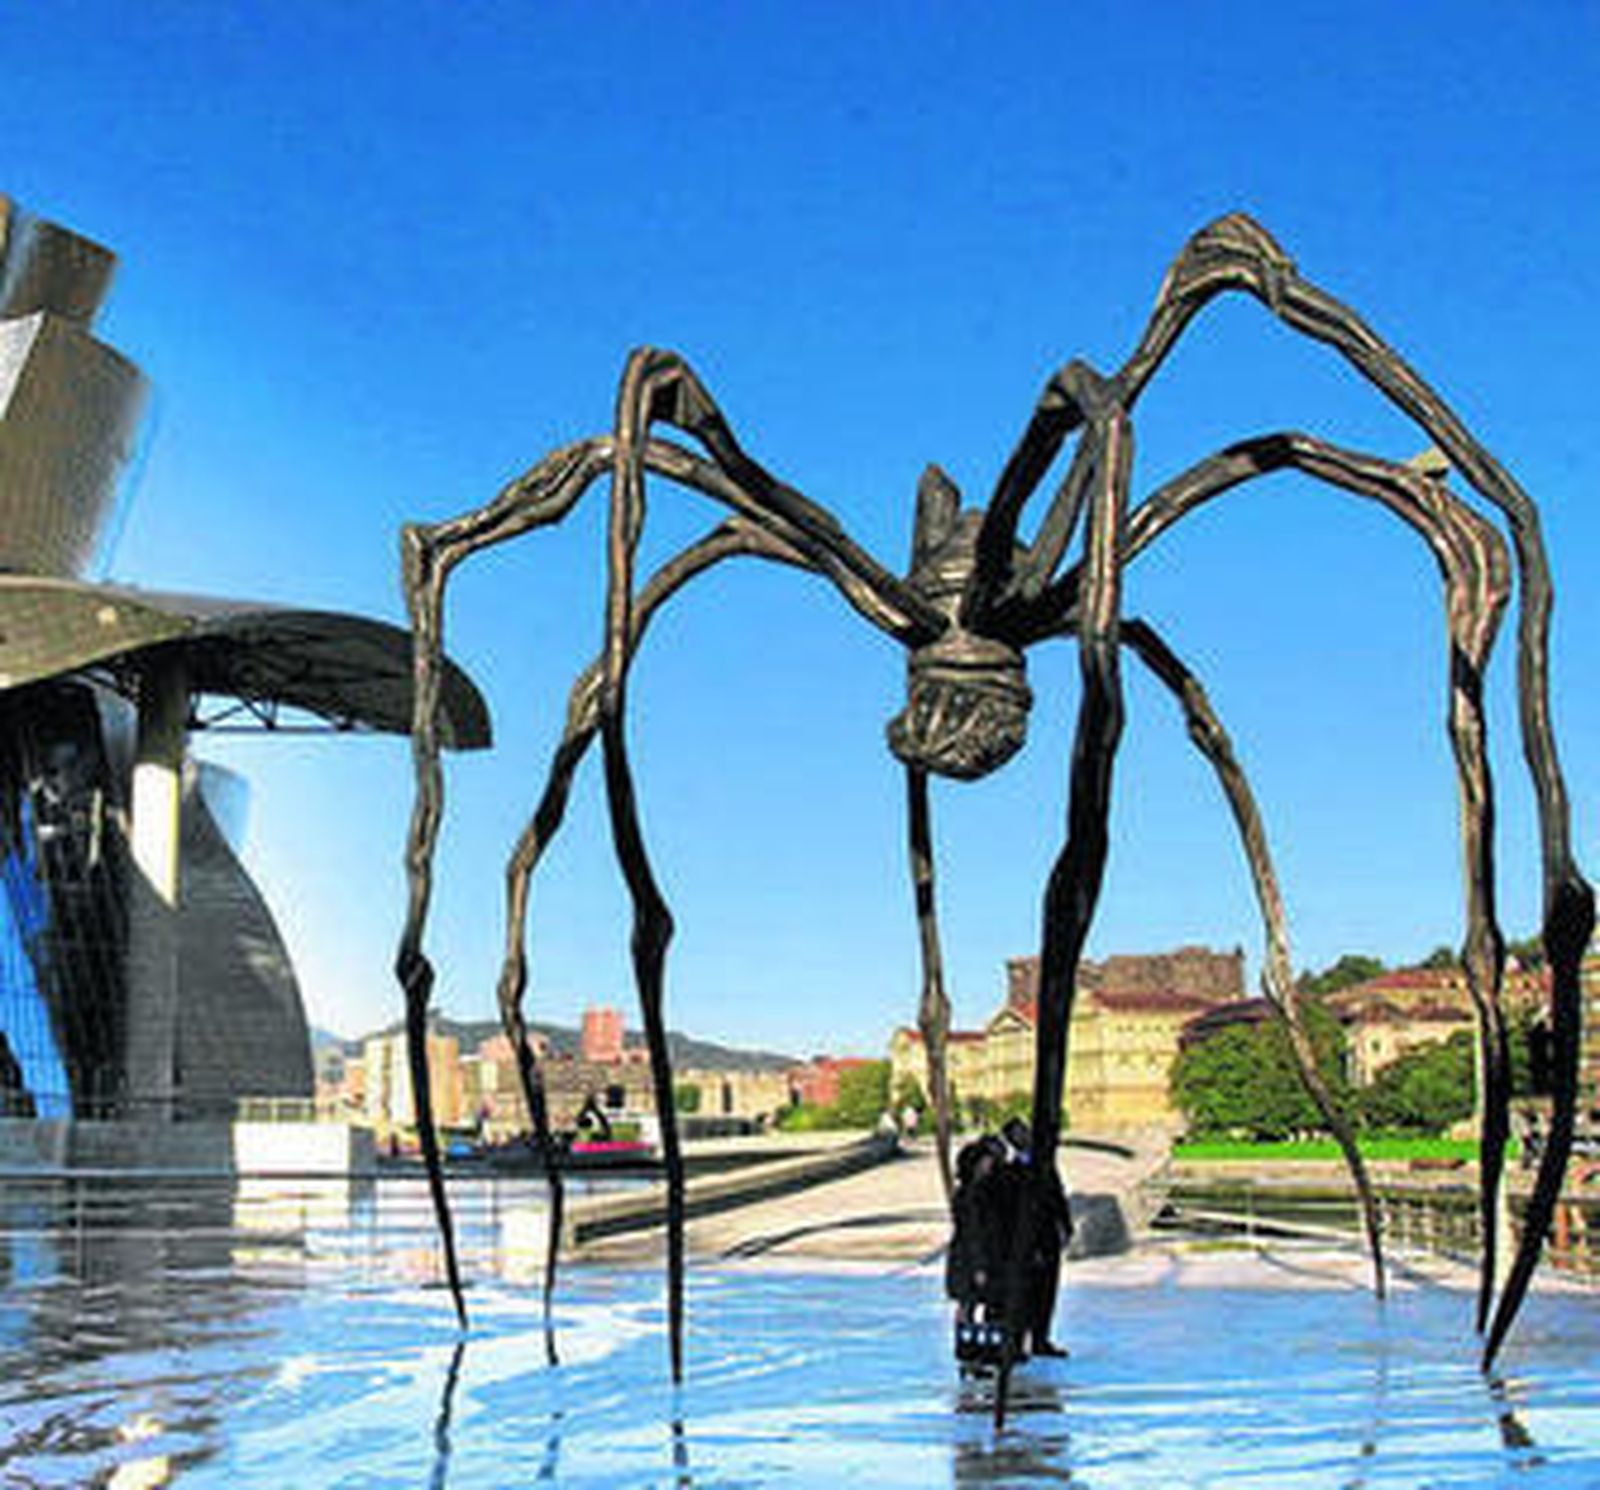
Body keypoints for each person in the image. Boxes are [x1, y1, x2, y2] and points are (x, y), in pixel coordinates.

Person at [1000, 1116, 1072, 1357]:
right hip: (1026, 1238)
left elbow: (1057, 1194)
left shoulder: (1045, 1163)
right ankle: (1019, 1340)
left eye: (1025, 1130)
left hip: (1048, 1235)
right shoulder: (1011, 1172)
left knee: (1047, 1289)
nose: (1026, 1135)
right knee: (1026, 1291)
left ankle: (1041, 1338)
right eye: (1019, 1133)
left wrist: (1065, 1225)